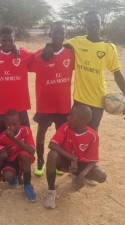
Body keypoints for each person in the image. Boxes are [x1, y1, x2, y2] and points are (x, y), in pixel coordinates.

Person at [43, 11, 125, 131]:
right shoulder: (76, 42)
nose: (93, 25)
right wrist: (48, 45)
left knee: (92, 133)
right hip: (79, 99)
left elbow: (117, 74)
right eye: (89, 23)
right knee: (73, 130)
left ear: (102, 23)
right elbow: (58, 45)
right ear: (85, 25)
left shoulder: (109, 47)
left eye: (96, 22)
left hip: (98, 100)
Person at [28, 21, 74, 176]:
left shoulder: (71, 54)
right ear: (50, 34)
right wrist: (47, 46)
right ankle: (40, 160)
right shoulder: (40, 55)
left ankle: (60, 161)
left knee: (62, 134)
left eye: (62, 32)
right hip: (45, 105)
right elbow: (25, 63)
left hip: (63, 105)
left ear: (66, 34)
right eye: (55, 32)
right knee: (41, 133)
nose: (58, 35)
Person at [44, 105, 107, 209]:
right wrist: (72, 158)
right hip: (65, 161)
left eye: (71, 116)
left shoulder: (93, 135)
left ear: (82, 121)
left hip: (80, 164)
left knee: (101, 175)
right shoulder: (65, 127)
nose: (68, 117)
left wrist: (83, 174)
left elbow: (92, 160)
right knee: (52, 155)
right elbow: (52, 144)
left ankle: (76, 176)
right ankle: (51, 192)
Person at [0, 26, 34, 137]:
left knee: (25, 136)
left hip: (20, 107)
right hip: (0, 107)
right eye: (4, 40)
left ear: (15, 40)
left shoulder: (23, 54)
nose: (7, 43)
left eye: (11, 40)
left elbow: (40, 59)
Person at [0, 109, 37, 202]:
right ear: (4, 123)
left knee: (24, 155)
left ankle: (27, 185)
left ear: (20, 122)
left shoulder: (26, 130)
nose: (12, 127)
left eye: (15, 124)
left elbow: (32, 151)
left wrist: (13, 139)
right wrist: (3, 151)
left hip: (25, 158)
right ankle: (15, 176)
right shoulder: (1, 137)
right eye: (8, 124)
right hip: (11, 160)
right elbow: (0, 155)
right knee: (8, 176)